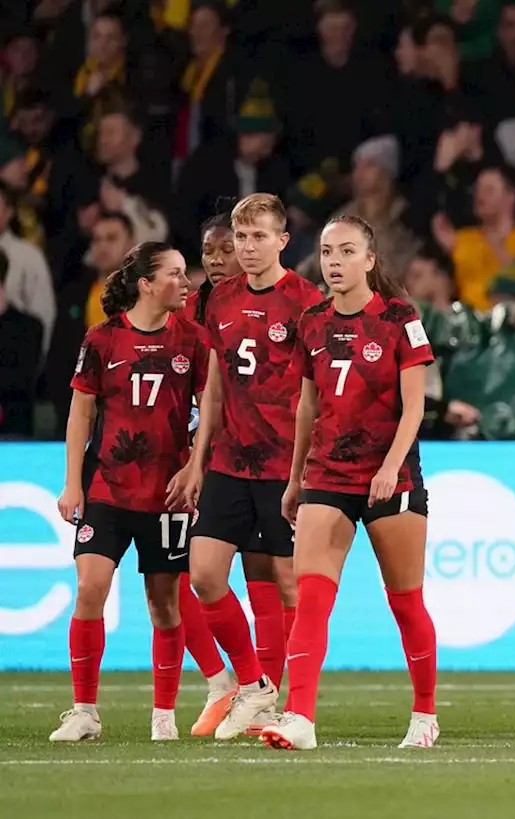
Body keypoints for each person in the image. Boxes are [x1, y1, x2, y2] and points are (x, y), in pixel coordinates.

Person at [261, 215, 437, 751]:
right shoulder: (312, 322)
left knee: (406, 603)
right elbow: (307, 407)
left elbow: (415, 406)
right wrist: (295, 479)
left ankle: (425, 715)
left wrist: (390, 467)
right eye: (327, 252)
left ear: (370, 260)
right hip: (328, 474)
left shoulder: (400, 318)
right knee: (311, 598)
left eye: (345, 252)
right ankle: (300, 717)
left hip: (392, 477)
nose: (334, 262)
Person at [176, 193, 324, 740]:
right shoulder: (220, 300)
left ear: (282, 241)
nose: (248, 246)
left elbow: (317, 388)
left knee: (289, 586)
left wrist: (309, 464)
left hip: (285, 463)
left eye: (259, 236)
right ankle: (256, 685)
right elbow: (213, 383)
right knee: (205, 575)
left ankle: (294, 700)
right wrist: (197, 460)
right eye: (241, 237)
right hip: (228, 461)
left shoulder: (307, 302)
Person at [50, 242, 208, 742]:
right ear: (146, 283)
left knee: (165, 604)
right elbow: (81, 412)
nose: (186, 283)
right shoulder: (102, 340)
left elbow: (209, 411)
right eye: (176, 274)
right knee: (90, 588)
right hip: (108, 488)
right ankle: (84, 712)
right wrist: (73, 481)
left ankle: (164, 714)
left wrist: (195, 468)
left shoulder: (194, 340)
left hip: (167, 493)